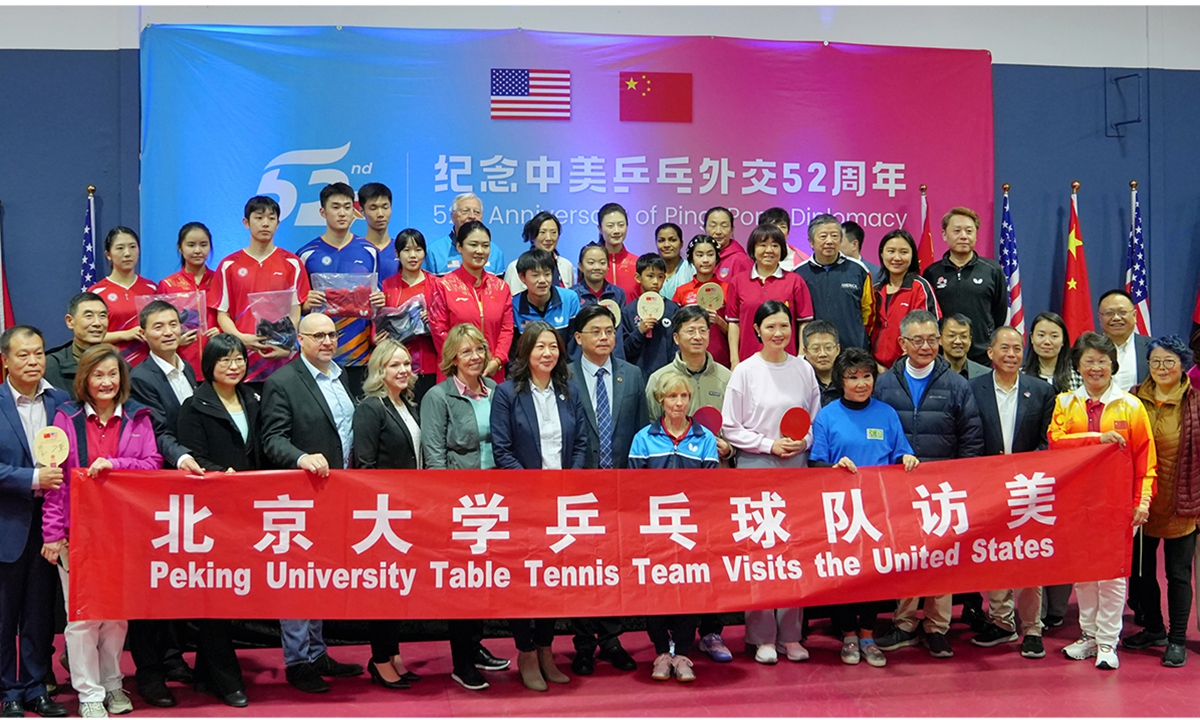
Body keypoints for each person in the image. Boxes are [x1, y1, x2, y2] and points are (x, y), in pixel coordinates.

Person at [42, 344, 162, 718]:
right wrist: (52, 532)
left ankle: (112, 684)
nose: (106, 381)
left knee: (116, 615)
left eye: (112, 374)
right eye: (98, 375)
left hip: (125, 533)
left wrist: (115, 464)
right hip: (79, 535)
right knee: (81, 618)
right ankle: (88, 692)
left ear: (122, 378)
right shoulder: (67, 418)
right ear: (85, 380)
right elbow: (56, 481)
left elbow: (154, 465)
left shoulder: (138, 419)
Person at [260, 313, 364, 693]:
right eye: (318, 335)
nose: (327, 341)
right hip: (301, 495)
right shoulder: (283, 382)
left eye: (332, 334)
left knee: (321, 577)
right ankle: (297, 660)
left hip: (339, 492)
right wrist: (302, 457)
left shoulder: (342, 376)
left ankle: (317, 651)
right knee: (298, 581)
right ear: (300, 340)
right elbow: (272, 439)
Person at [873, 309, 984, 659]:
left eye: (932, 340)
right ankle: (905, 622)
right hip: (899, 486)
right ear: (902, 343)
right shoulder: (885, 384)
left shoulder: (957, 384)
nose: (926, 347)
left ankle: (937, 627)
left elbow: (971, 437)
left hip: (943, 488)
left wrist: (962, 479)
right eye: (917, 340)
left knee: (942, 558)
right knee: (906, 556)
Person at [1049, 331, 1156, 671]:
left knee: (1111, 575)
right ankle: (1089, 635)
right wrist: (1096, 438)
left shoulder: (1131, 405)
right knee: (1084, 574)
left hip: (1118, 505)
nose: (1096, 367)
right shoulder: (1065, 403)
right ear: (1078, 365)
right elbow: (1055, 444)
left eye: (1102, 361)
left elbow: (1146, 459)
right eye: (1089, 361)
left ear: (1113, 365)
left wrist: (1143, 501)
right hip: (1077, 503)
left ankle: (1108, 641)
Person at [722, 300, 820, 664]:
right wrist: (768, 444)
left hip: (796, 467)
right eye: (771, 327)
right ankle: (761, 635)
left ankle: (791, 635)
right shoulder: (745, 371)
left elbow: (815, 419)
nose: (779, 333)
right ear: (757, 331)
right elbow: (730, 427)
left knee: (795, 551)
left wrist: (803, 442)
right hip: (756, 467)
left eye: (784, 326)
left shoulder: (804, 370)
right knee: (761, 552)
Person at [809, 347, 919, 668]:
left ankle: (868, 635)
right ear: (841, 381)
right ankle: (848, 636)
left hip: (878, 511)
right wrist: (833, 466)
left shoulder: (886, 413)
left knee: (874, 575)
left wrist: (907, 459)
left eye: (867, 376)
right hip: (841, 511)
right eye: (853, 377)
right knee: (844, 577)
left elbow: (901, 452)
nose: (861, 383)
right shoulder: (827, 416)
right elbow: (816, 463)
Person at [491, 323, 586, 692]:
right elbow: (503, 451)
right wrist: (536, 487)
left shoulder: (569, 391)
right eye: (540, 347)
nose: (547, 353)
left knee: (553, 580)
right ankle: (526, 651)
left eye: (553, 347)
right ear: (526, 351)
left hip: (562, 502)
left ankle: (547, 649)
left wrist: (568, 483)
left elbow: (579, 445)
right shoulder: (507, 394)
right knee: (523, 578)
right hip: (524, 501)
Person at [419, 323, 510, 690]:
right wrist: (445, 501)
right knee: (462, 583)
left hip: (497, 500)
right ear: (451, 358)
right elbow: (434, 454)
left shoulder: (496, 392)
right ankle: (461, 660)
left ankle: (475, 646)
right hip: (460, 503)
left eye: (479, 350)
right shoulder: (438, 397)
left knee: (485, 581)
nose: (474, 358)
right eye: (466, 352)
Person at [126, 300, 205, 708]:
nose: (169, 331)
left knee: (179, 580)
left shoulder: (188, 368)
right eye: (159, 326)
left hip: (191, 488)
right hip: (159, 487)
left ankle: (173, 657)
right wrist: (183, 457)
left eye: (174, 323)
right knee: (151, 583)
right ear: (145, 333)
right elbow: (157, 430)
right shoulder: (141, 376)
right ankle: (149, 670)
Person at [175, 334, 256, 708]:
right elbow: (193, 456)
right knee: (215, 596)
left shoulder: (253, 399)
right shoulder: (195, 405)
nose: (233, 366)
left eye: (238, 358)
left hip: (252, 512)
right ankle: (228, 679)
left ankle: (206, 674)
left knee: (234, 595)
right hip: (213, 514)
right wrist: (218, 473)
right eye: (224, 360)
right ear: (209, 365)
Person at [967, 327, 1056, 659]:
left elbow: (1048, 439)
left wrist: (1028, 471)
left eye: (1017, 348)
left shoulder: (1041, 390)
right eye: (1004, 348)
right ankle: (1002, 622)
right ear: (990, 352)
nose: (1011, 354)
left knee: (1029, 556)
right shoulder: (972, 389)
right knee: (995, 554)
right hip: (987, 486)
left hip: (1028, 488)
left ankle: (1032, 627)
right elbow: (969, 436)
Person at [568, 304, 646, 675]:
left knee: (615, 564)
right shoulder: (563, 378)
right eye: (595, 331)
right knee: (582, 566)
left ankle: (612, 638)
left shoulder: (631, 375)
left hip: (621, 485)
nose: (604, 337)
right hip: (578, 487)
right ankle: (583, 642)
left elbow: (643, 430)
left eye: (609, 331)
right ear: (579, 338)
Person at [629, 370, 720, 683]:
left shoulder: (705, 439)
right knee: (655, 591)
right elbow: (634, 489)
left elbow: (711, 490)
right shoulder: (643, 438)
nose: (678, 403)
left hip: (690, 531)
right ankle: (660, 652)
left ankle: (682, 653)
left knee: (689, 590)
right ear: (660, 400)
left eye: (683, 396)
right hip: (654, 532)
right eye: (672, 396)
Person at [0, 326, 70, 719]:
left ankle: (35, 687)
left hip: (50, 528)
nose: (33, 362)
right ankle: (8, 689)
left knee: (40, 613)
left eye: (38, 354)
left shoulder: (61, 401)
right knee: (5, 615)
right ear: (6, 359)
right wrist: (30, 479)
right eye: (23, 355)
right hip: (7, 524)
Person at [352, 339, 424, 691]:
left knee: (398, 590)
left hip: (408, 510)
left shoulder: (406, 404)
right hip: (382, 514)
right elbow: (364, 464)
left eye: (407, 364)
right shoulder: (371, 407)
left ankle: (394, 654)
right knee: (382, 590)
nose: (403, 370)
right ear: (380, 370)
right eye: (395, 365)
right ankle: (379, 659)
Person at [1126, 335, 1198, 667]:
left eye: (1169, 361)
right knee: (1140, 574)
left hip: (1182, 504)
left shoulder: (1195, 402)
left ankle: (1177, 638)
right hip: (1142, 505)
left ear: (1183, 365)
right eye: (1155, 361)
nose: (1162, 368)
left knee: (1178, 574)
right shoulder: (1131, 400)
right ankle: (1153, 627)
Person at [210, 195, 310, 390]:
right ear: (246, 222)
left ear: (278, 224)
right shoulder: (229, 265)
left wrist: (285, 343)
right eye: (259, 217)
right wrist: (240, 338)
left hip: (282, 359)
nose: (265, 223)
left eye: (271, 218)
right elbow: (222, 313)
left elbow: (295, 311)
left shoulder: (292, 263)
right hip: (241, 360)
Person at [297, 182, 386, 397]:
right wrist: (306, 304)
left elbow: (377, 305)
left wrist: (379, 301)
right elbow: (297, 306)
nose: (342, 213)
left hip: (360, 353)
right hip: (319, 356)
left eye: (347, 207)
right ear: (322, 212)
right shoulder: (306, 254)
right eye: (335, 207)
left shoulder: (369, 251)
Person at [426, 221, 514, 382]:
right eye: (473, 245)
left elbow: (506, 329)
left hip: (492, 373)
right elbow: (439, 331)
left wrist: (497, 360)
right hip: (455, 373)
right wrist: (464, 360)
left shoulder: (501, 287)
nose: (480, 251)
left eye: (485, 246)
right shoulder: (443, 286)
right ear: (459, 247)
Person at [922, 207, 1006, 366]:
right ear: (944, 234)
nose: (963, 236)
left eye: (969, 231)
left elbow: (999, 312)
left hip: (981, 355)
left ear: (976, 236)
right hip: (942, 357)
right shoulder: (932, 273)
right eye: (957, 231)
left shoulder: (992, 270)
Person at [725, 223, 814, 368]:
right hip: (748, 362)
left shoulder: (795, 281)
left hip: (786, 362)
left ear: (782, 250)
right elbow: (734, 324)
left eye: (775, 245)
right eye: (762, 245)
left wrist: (800, 357)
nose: (769, 250)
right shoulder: (738, 281)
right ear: (753, 249)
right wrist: (734, 360)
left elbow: (804, 322)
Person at [795, 214, 873, 351]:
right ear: (811, 242)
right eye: (823, 236)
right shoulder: (798, 274)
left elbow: (869, 313)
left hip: (853, 352)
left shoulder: (858, 270)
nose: (829, 241)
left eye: (835, 236)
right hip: (815, 353)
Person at [379, 228, 439, 404]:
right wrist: (377, 338)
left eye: (418, 250)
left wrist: (434, 320)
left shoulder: (438, 285)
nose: (413, 255)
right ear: (397, 253)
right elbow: (379, 322)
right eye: (407, 250)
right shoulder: (387, 286)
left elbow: (448, 324)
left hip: (431, 366)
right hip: (396, 369)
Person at [88, 227, 158, 368]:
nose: (127, 253)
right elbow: (89, 337)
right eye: (120, 248)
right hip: (111, 366)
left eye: (132, 247)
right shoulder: (96, 292)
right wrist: (124, 335)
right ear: (108, 254)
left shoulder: (152, 288)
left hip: (149, 367)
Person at [156, 221, 219, 379]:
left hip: (218, 362)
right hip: (181, 364)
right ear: (180, 248)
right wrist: (175, 340)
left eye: (203, 245)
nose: (197, 250)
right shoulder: (167, 285)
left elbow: (232, 315)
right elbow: (158, 325)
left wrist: (221, 331)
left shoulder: (221, 280)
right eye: (191, 245)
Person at [871, 229, 940, 370]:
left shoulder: (919, 287)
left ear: (912, 255)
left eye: (903, 252)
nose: (897, 258)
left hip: (910, 368)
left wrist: (903, 366)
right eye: (891, 251)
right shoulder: (875, 290)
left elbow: (928, 330)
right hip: (877, 369)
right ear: (882, 254)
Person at [672, 235, 731, 367]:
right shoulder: (682, 291)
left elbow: (736, 331)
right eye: (699, 255)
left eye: (710, 254)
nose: (705, 260)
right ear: (692, 258)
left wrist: (719, 322)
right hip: (688, 359)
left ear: (717, 258)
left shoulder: (728, 289)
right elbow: (676, 329)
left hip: (720, 359)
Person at [510, 248, 582, 354]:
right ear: (522, 277)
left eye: (547, 274)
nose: (543, 280)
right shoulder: (514, 306)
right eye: (535, 275)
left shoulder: (570, 299)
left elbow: (576, 346)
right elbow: (514, 352)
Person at [621, 253, 679, 377]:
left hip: (668, 376)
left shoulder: (673, 309)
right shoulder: (628, 311)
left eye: (660, 277)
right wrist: (640, 331)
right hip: (638, 376)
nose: (655, 282)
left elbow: (677, 346)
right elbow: (624, 350)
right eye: (650, 276)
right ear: (638, 277)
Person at [44, 292, 109, 399]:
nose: (97, 323)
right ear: (70, 321)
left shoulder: (117, 364)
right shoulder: (50, 366)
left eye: (102, 316)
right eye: (89, 316)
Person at [424, 193, 505, 275]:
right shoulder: (434, 251)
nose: (472, 216)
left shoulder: (495, 251)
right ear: (453, 217)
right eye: (465, 211)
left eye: (477, 212)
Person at [503, 211, 575, 293]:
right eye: (542, 232)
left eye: (553, 232)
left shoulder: (566, 266)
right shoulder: (515, 267)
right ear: (532, 236)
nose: (548, 238)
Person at [1098, 289, 1151, 391]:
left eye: (1122, 312)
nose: (1116, 318)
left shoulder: (1153, 348)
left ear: (1135, 315)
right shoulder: (1087, 350)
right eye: (1109, 313)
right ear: (1100, 318)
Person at [358, 182, 399, 281]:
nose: (380, 214)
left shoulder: (401, 249)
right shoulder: (355, 250)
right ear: (362, 211)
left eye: (385, 207)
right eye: (373, 208)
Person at [597, 203, 639, 298]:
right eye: (610, 226)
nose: (616, 231)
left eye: (621, 225)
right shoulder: (593, 265)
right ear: (600, 228)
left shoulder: (637, 263)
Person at [706, 207, 752, 283]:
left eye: (724, 226)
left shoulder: (740, 260)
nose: (718, 231)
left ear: (732, 230)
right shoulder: (700, 257)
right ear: (704, 228)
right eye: (713, 225)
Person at [802, 319, 841, 406]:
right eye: (816, 349)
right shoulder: (799, 380)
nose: (822, 354)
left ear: (838, 349)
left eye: (828, 348)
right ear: (805, 351)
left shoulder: (848, 379)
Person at [758, 207, 809, 272]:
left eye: (783, 227)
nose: (779, 231)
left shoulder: (802, 260)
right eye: (773, 226)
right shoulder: (751, 259)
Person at [654, 222, 694, 301]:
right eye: (661, 240)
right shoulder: (649, 272)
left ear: (681, 244)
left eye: (672, 240)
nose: (666, 245)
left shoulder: (692, 270)